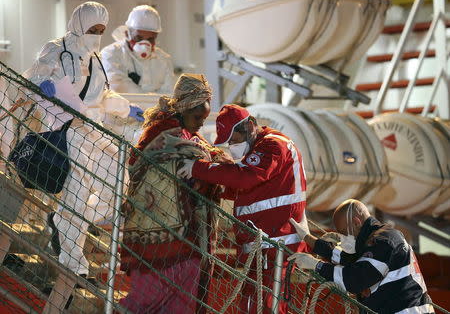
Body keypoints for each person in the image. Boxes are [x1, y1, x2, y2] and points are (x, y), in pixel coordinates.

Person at [23, 2, 141, 279]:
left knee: (118, 178)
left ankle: (63, 223)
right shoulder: (56, 48)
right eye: (92, 29)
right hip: (68, 128)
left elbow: (104, 96)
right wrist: (43, 84)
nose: (96, 35)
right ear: (79, 25)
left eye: (101, 30)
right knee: (78, 191)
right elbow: (35, 76)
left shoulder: (96, 58)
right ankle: (74, 264)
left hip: (95, 129)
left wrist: (127, 108)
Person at [178, 104, 309, 314]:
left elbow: (247, 178)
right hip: (263, 244)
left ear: (249, 127)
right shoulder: (260, 150)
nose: (231, 146)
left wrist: (199, 168)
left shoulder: (273, 146)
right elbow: (247, 190)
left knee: (266, 306)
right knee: (253, 305)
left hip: (276, 244)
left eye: (234, 139)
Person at [120, 73, 230, 313]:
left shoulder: (190, 135)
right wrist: (209, 160)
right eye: (197, 116)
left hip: (187, 239)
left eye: (204, 117)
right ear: (183, 110)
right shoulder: (162, 132)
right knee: (147, 299)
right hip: (160, 238)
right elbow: (192, 157)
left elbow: (206, 156)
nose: (201, 122)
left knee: (183, 302)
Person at [288, 199, 435, 314]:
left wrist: (316, 265)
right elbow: (349, 260)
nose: (343, 239)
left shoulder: (385, 241)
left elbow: (355, 279)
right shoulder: (377, 240)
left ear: (357, 222)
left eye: (344, 232)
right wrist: (308, 238)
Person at [101, 5, 175, 94]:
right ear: (127, 34)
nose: (144, 45)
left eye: (150, 39)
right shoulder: (111, 54)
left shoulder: (164, 59)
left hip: (156, 107)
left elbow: (169, 93)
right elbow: (118, 86)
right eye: (139, 38)